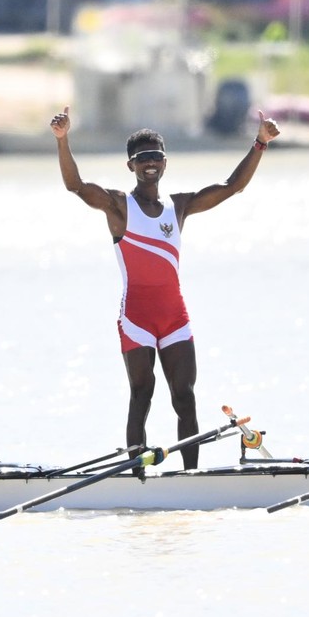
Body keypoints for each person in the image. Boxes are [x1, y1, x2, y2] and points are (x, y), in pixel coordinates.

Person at [49, 105, 280, 471]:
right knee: (142, 394)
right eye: (142, 159)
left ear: (165, 163)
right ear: (131, 166)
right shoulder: (120, 207)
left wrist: (260, 143)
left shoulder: (180, 207)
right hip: (137, 317)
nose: (150, 164)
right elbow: (75, 186)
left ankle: (191, 477)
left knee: (184, 398)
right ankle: (136, 472)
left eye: (156, 157)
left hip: (175, 317)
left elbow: (231, 187)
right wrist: (63, 141)